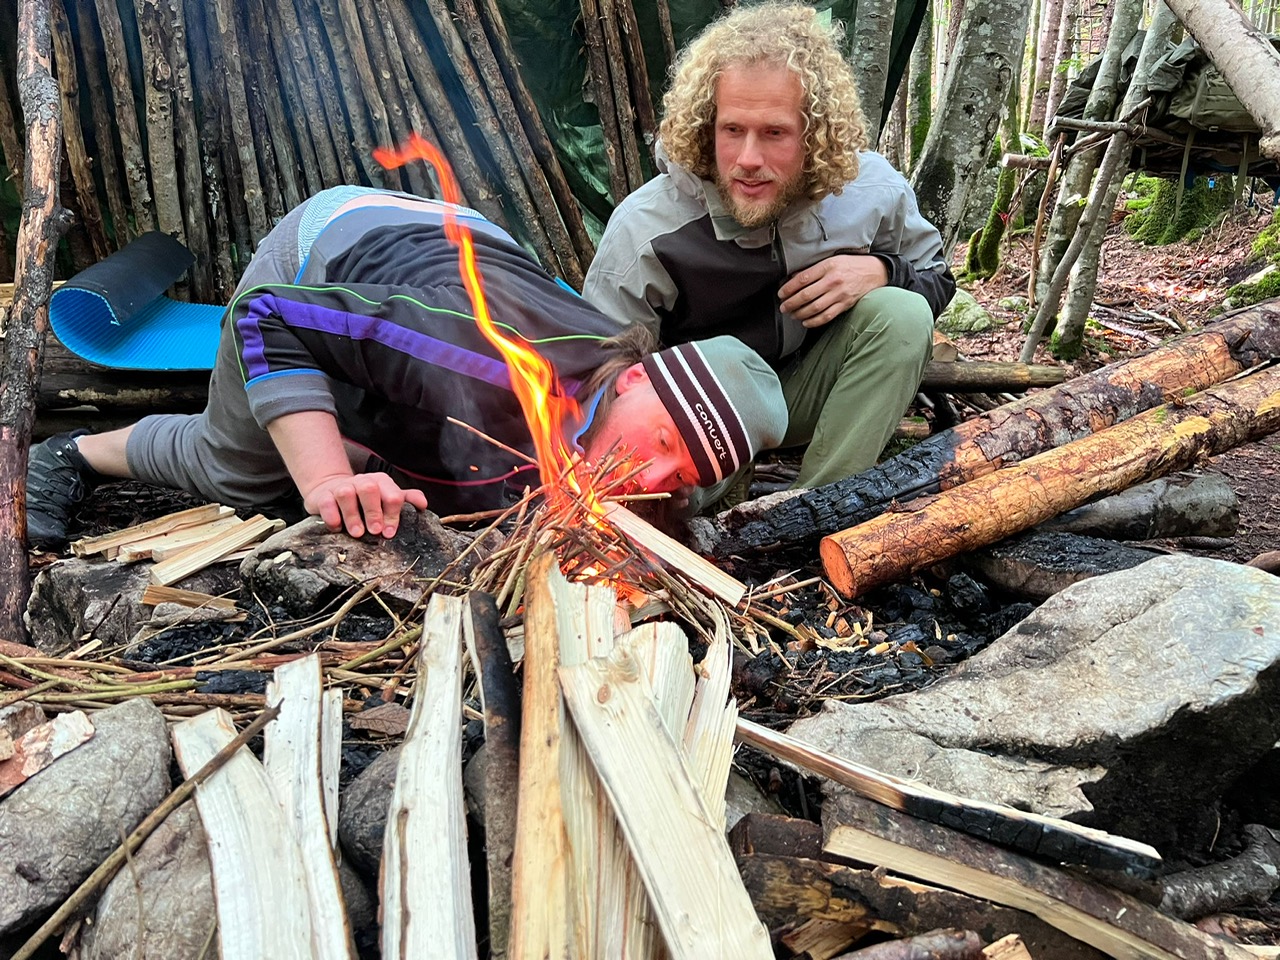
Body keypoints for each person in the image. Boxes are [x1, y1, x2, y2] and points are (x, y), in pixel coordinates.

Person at [26, 186, 787, 544]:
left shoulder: (632, 424)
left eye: (680, 474)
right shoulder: (488, 358)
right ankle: (73, 453)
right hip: (336, 244)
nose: (653, 478)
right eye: (660, 445)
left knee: (425, 454)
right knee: (253, 474)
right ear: (632, 377)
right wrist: (324, 479)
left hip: (460, 254)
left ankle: (353, 440)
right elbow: (272, 321)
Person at [582, 2, 956, 494]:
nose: (748, 159)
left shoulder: (869, 192)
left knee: (902, 312)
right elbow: (600, 382)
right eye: (732, 130)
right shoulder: (647, 228)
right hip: (696, 424)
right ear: (706, 125)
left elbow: (939, 277)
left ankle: (824, 510)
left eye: (775, 133)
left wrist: (883, 271)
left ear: (815, 135)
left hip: (803, 391)